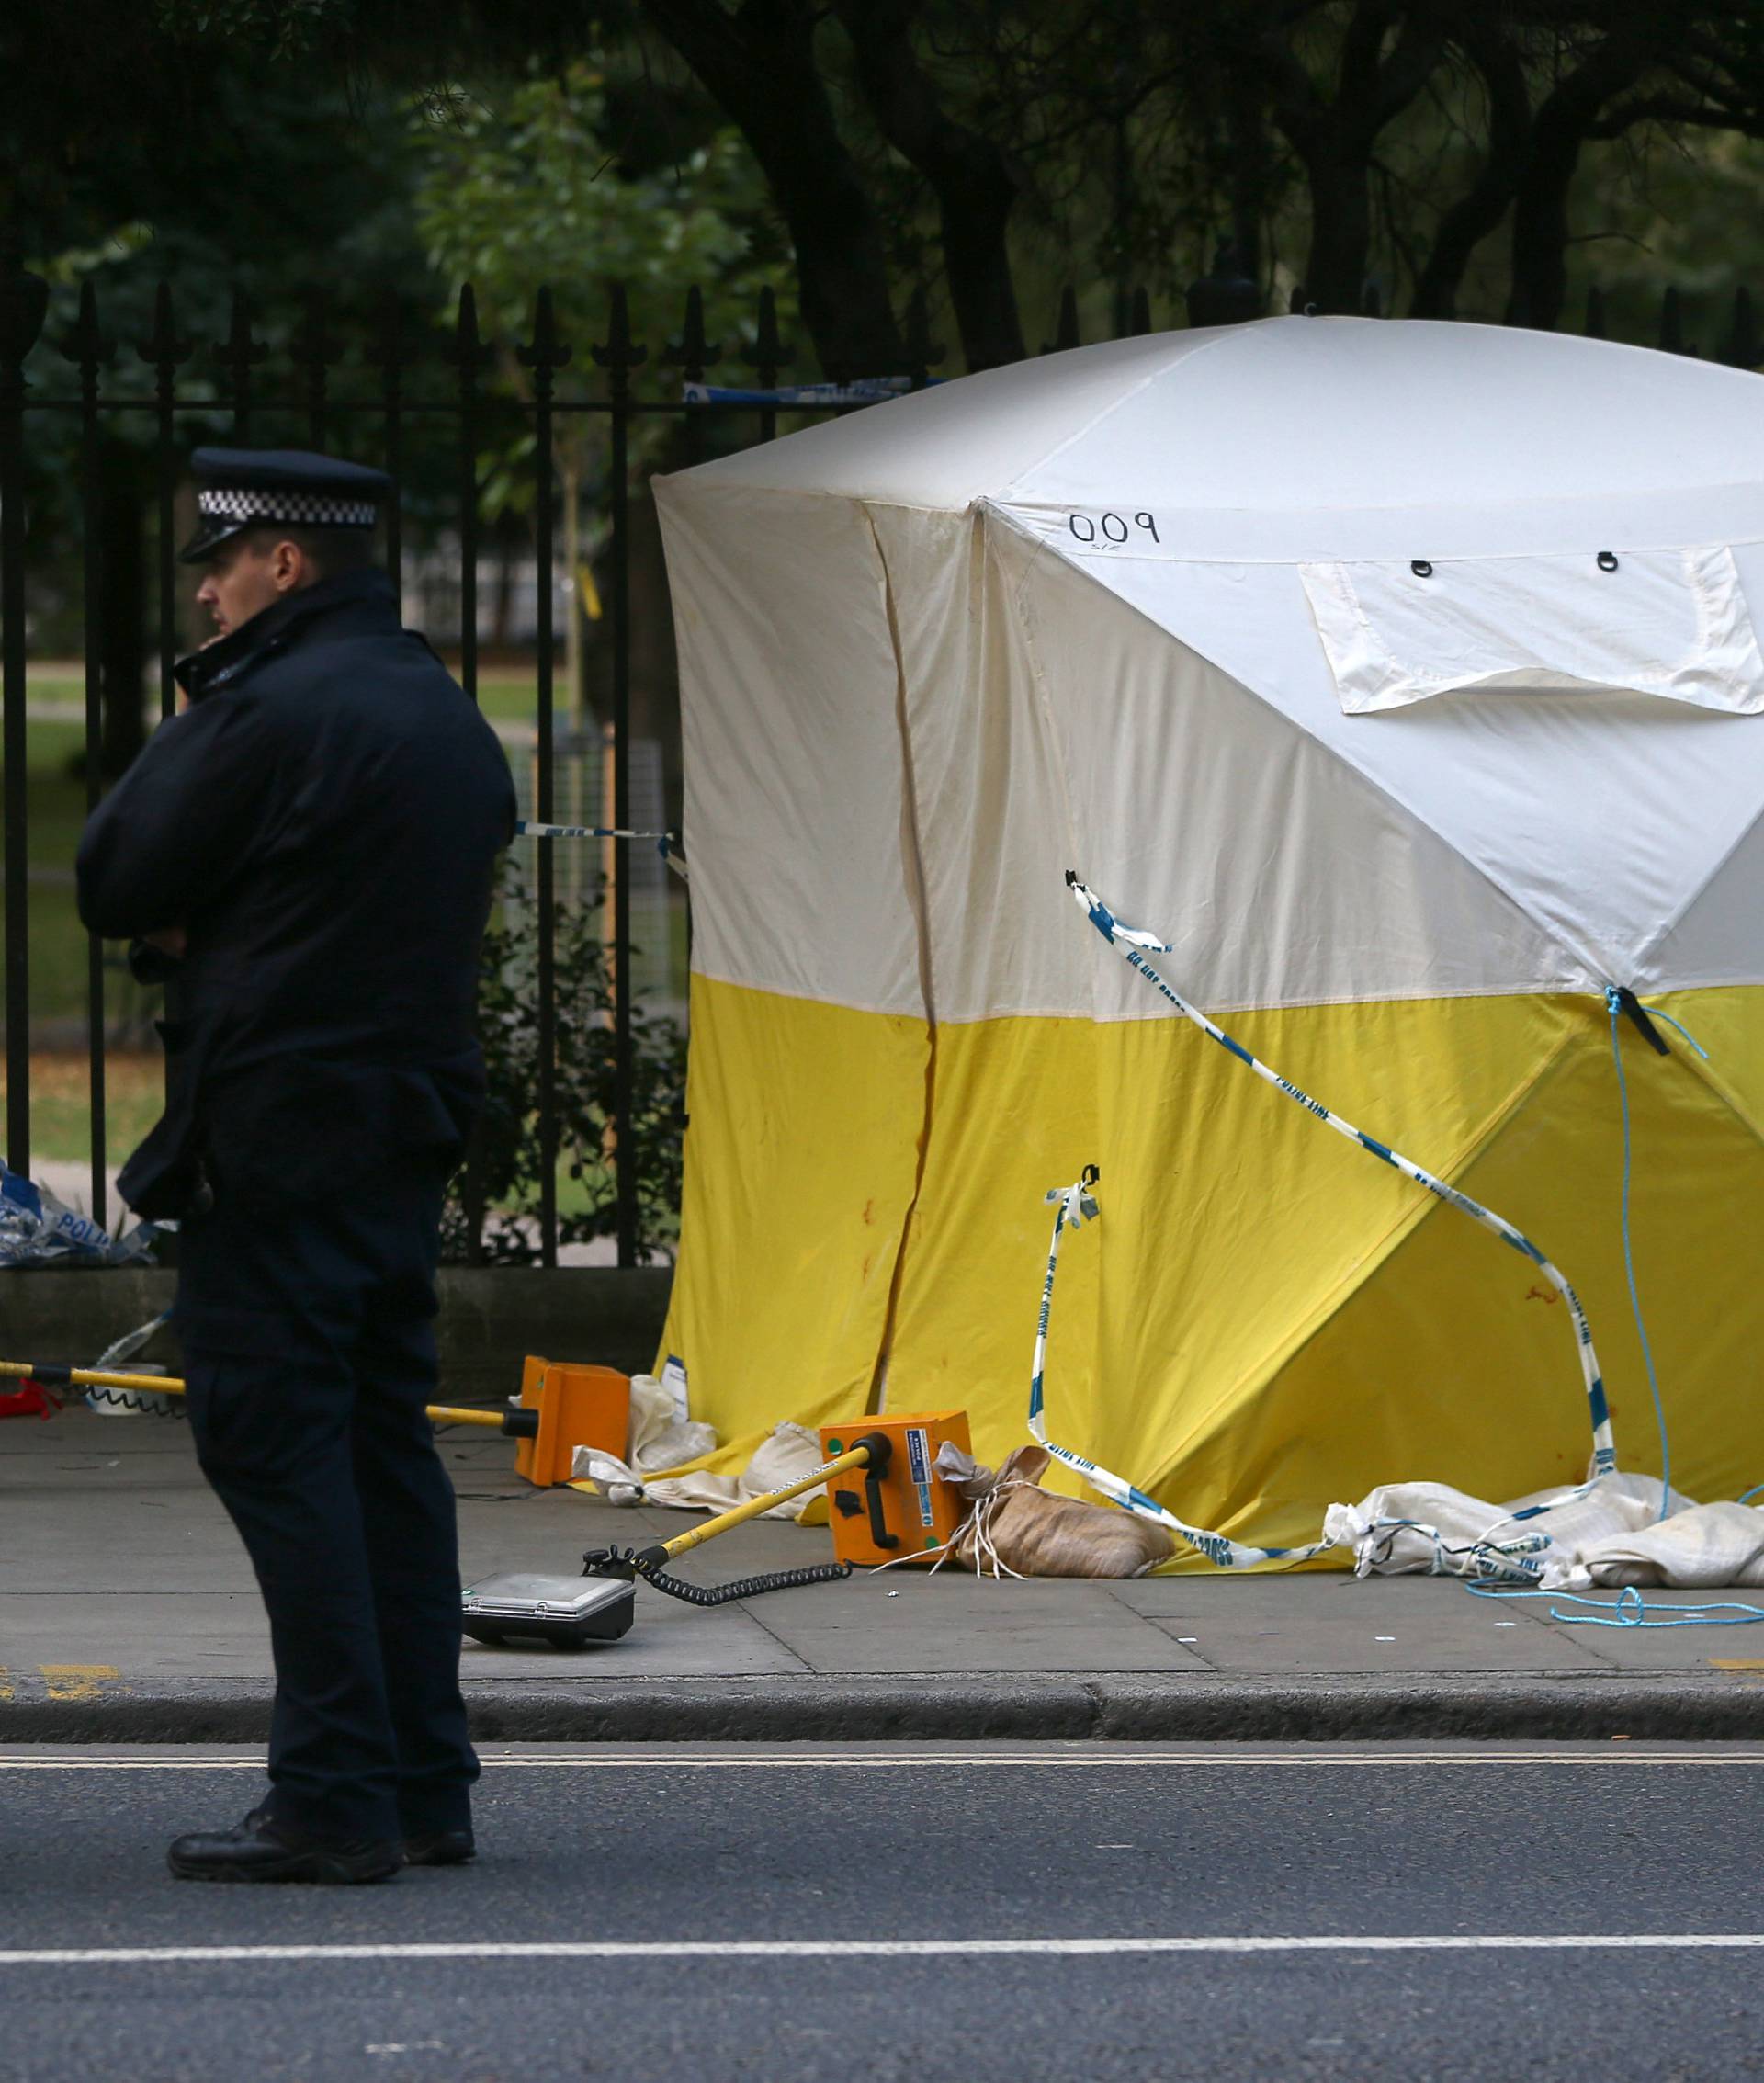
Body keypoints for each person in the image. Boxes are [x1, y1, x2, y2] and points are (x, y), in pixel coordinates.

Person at [77, 447, 516, 1885]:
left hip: (276, 1133)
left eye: (221, 561)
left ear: (284, 564)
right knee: (384, 1444)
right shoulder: (440, 709)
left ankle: (332, 1795)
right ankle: (422, 1779)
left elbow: (116, 871)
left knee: (278, 1442)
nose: (201, 589)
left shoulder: (271, 707)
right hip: (401, 1125)